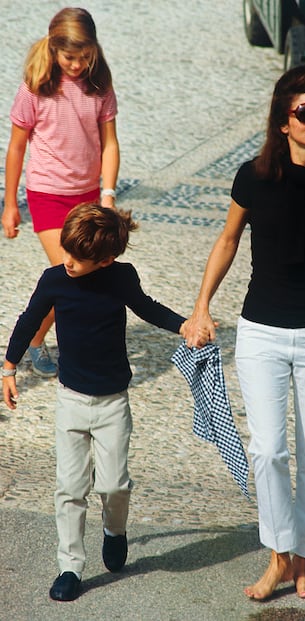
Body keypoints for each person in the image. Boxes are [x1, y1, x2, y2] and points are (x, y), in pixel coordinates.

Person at [184, 65, 305, 601]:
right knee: (268, 450)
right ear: (283, 122)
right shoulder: (253, 178)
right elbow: (227, 241)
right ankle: (276, 555)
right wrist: (202, 306)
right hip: (261, 333)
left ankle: (304, 561)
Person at [2, 203, 203, 602]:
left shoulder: (121, 278)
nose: (68, 262)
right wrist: (8, 368)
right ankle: (70, 566)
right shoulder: (54, 280)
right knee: (70, 487)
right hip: (70, 399)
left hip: (112, 402)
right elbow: (28, 320)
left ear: (106, 260)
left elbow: (146, 307)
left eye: (78, 258)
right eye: (66, 252)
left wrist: (184, 324)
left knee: (115, 485)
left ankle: (114, 529)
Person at [1, 7, 120, 378]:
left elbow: (110, 144)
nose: (78, 65)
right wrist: (10, 205)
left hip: (86, 196)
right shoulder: (34, 87)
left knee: (82, 274)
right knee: (70, 273)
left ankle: (37, 339)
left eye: (85, 57)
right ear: (54, 50)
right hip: (47, 195)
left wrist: (109, 194)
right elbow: (17, 148)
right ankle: (53, 350)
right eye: (70, 57)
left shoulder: (99, 84)